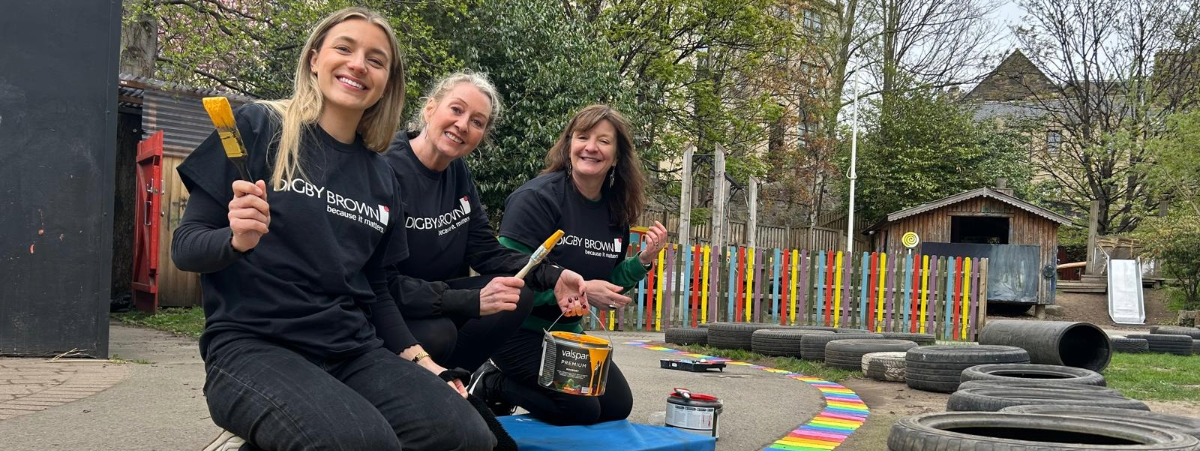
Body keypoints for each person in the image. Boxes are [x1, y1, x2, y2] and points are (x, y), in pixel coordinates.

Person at [172, 8, 494, 451]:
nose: (358, 64)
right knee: (363, 443)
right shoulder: (260, 127)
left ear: (387, 83)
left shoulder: (382, 176)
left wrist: (423, 361)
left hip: (351, 350)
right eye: (345, 48)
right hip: (254, 345)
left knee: (467, 436)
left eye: (376, 60)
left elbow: (376, 288)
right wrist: (234, 239)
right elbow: (185, 247)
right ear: (314, 59)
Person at [469, 104, 669, 426]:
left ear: (616, 157)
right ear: (569, 145)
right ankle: (490, 381)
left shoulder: (614, 210)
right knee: (580, 409)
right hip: (514, 331)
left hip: (565, 333)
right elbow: (505, 278)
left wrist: (643, 260)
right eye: (583, 137)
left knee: (616, 406)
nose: (591, 147)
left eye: (603, 141)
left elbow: (608, 281)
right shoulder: (536, 199)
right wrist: (582, 290)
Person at [384, 72, 590, 374]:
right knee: (439, 334)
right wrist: (468, 300)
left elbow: (485, 251)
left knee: (515, 296)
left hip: (437, 299)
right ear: (430, 108)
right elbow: (382, 283)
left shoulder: (458, 172)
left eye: (477, 122)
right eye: (456, 109)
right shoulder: (386, 168)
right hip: (388, 306)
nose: (463, 125)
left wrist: (552, 275)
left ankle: (456, 381)